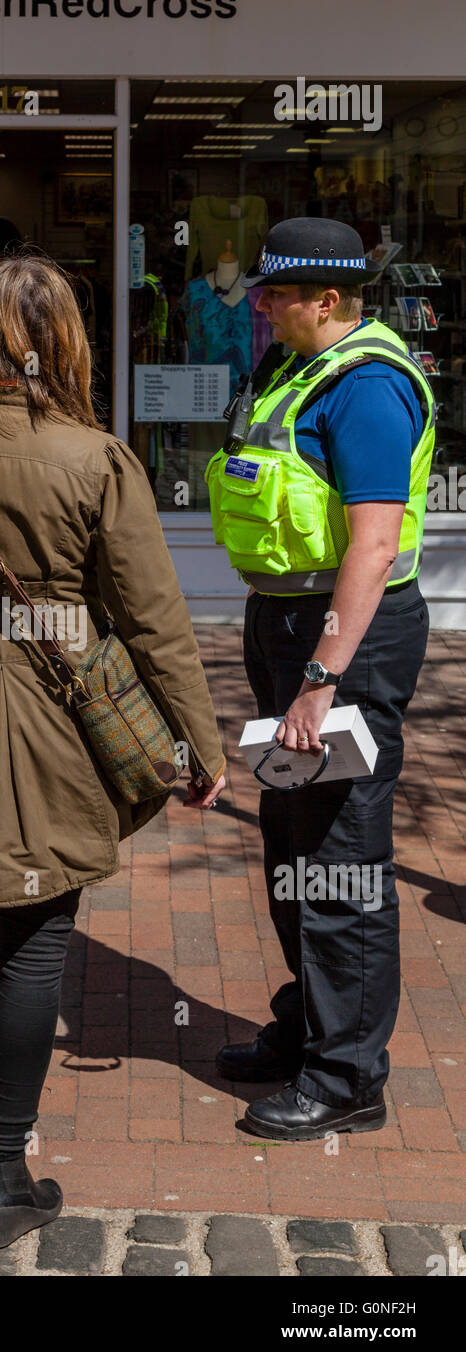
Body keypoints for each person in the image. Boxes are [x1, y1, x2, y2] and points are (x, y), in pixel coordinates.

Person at [0, 254, 226, 1247]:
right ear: (64, 340)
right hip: (53, 706)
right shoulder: (95, 456)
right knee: (33, 939)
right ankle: (2, 1170)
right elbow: (151, 617)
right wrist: (198, 741)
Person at [208, 218, 435, 1139]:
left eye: (276, 293)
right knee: (292, 839)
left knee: (340, 859)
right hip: (289, 623)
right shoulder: (293, 369)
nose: (259, 304)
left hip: (346, 640)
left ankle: (347, 1077)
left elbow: (374, 550)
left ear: (328, 300)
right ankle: (308, 1025)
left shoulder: (370, 387)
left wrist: (320, 677)